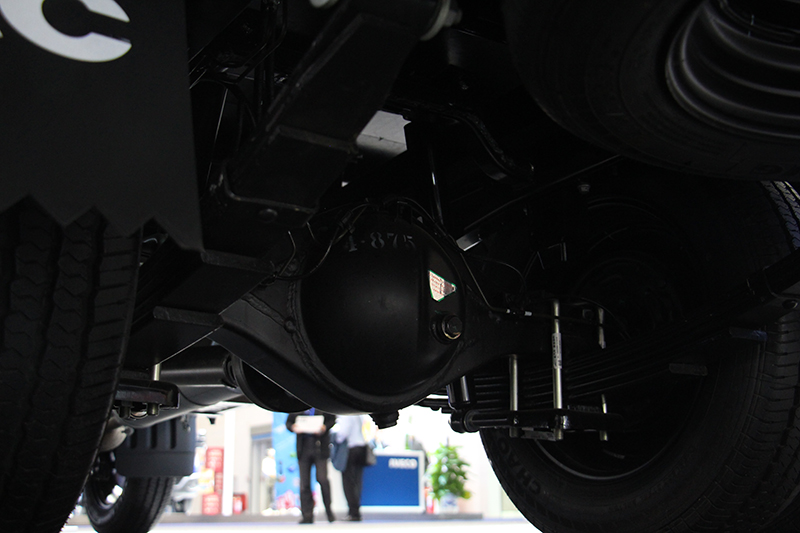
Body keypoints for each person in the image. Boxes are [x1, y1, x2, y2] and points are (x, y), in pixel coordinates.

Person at [286, 409, 337, 524]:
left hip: (320, 447)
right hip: (303, 448)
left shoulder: (323, 404)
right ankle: (307, 515)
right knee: (304, 483)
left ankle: (329, 511)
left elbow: (332, 419)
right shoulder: (298, 406)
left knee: (322, 479)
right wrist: (293, 427)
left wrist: (324, 427)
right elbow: (288, 423)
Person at [332, 414, 370, 522]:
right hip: (361, 447)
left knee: (348, 482)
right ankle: (355, 510)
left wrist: (336, 438)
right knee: (357, 481)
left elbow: (343, 433)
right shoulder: (359, 414)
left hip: (351, 448)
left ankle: (353, 512)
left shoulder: (346, 414)